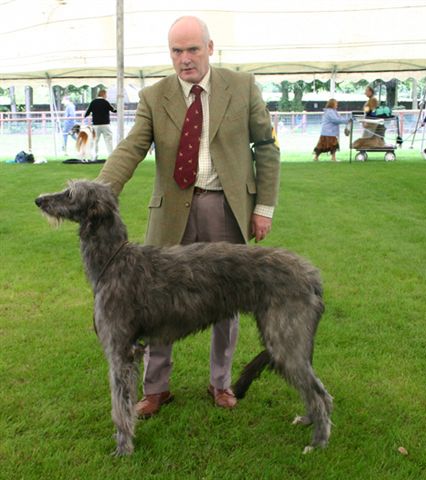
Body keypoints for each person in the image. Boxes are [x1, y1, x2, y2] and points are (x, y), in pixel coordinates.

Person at [95, 16, 280, 417]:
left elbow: (266, 146)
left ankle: (221, 382)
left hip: (226, 209)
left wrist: (263, 207)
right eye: (176, 51)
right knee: (155, 302)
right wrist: (102, 191)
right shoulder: (154, 95)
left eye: (192, 49)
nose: (184, 59)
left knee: (226, 301)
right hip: (171, 213)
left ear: (210, 48)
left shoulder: (242, 87)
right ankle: (156, 388)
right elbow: (131, 147)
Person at [84, 89, 117, 159]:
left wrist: (84, 117)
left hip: (96, 125)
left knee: (95, 140)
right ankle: (111, 155)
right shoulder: (106, 102)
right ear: (103, 94)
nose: (106, 96)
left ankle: (94, 156)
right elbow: (113, 110)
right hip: (105, 124)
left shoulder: (93, 102)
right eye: (106, 95)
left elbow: (87, 112)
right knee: (108, 140)